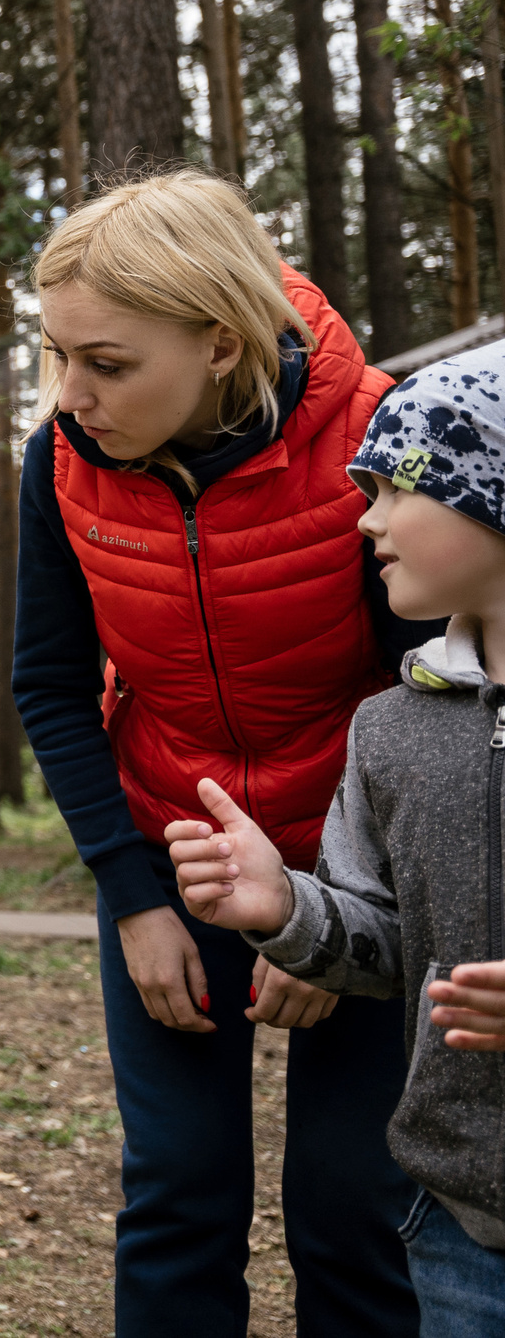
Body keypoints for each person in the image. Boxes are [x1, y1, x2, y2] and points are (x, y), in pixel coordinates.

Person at [10, 170, 424, 1335]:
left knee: (354, 1209)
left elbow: (425, 695)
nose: (71, 394)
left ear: (222, 344)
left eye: (107, 363)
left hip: (363, 882)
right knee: (178, 1197)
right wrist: (131, 896)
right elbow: (47, 682)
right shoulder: (57, 463)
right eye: (58, 354)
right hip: (170, 865)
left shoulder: (381, 438)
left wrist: (331, 910)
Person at [166, 339, 505, 1337]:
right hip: (456, 1226)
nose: (365, 519)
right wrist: (285, 907)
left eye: (397, 488)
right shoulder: (389, 730)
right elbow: (389, 945)